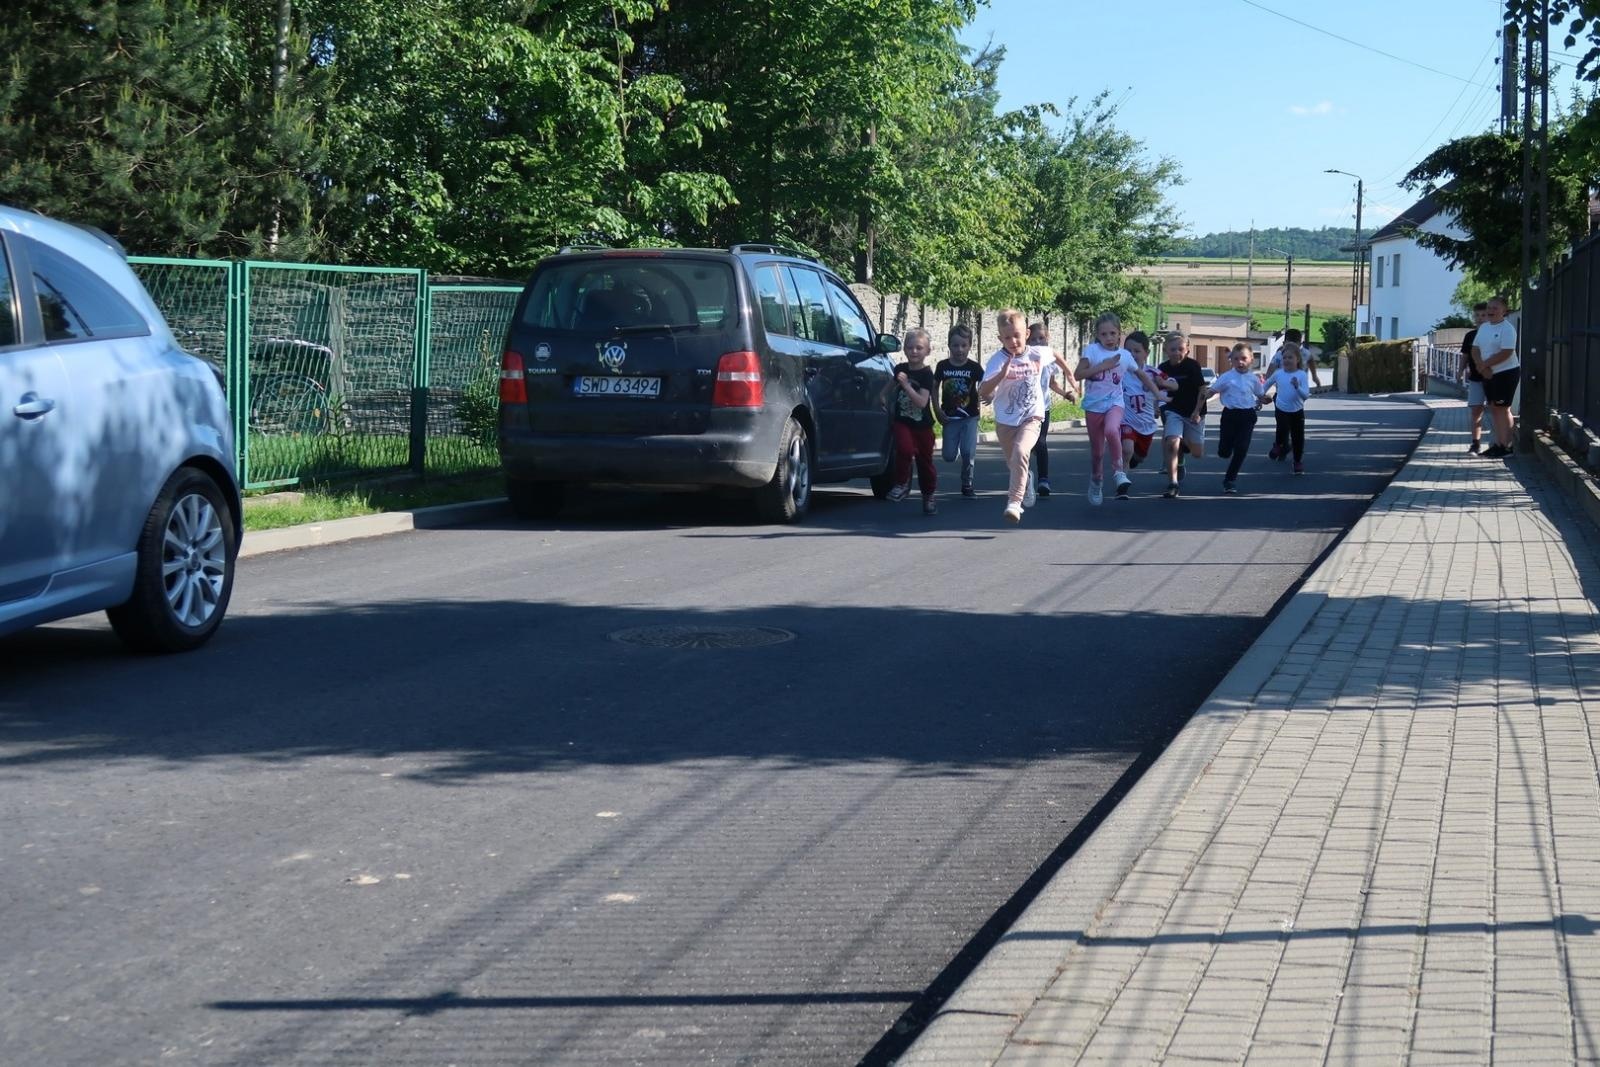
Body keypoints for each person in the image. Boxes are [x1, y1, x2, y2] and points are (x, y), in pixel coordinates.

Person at [979, 309, 1058, 523]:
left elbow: (1055, 355)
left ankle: (1014, 502)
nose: (1013, 341)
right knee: (1014, 462)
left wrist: (1070, 377)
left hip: (1032, 415)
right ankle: (1027, 478)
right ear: (1000, 338)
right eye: (1007, 337)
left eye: (1017, 335)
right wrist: (1001, 377)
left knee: (1022, 451)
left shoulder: (1036, 353)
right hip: (1005, 420)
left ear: (1027, 334)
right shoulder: (997, 360)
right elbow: (983, 391)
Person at [1075, 313, 1161, 504]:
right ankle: (1096, 480)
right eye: (1104, 334)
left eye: (1113, 333)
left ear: (1120, 335)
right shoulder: (1092, 351)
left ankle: (1119, 472)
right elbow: (1078, 374)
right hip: (1094, 406)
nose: (1109, 338)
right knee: (1097, 453)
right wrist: (1103, 366)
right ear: (1097, 335)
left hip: (1115, 403)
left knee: (1112, 429)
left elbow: (1143, 375)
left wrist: (1158, 394)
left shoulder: (1124, 356)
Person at [879, 327, 938, 514]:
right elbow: (888, 388)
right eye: (910, 347)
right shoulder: (900, 369)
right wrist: (882, 398)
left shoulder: (927, 375)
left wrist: (906, 385)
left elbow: (921, 402)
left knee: (925, 463)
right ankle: (901, 484)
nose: (914, 351)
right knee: (904, 450)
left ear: (927, 351)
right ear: (904, 349)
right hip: (902, 420)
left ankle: (928, 495)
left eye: (919, 348)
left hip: (922, 425)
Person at [1024, 321, 1079, 501]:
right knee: (1025, 446)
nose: (1038, 342)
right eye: (1033, 339)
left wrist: (1065, 394)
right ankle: (1023, 478)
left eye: (1041, 338)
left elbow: (1051, 382)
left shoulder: (1050, 361)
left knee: (1041, 442)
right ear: (1027, 340)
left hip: (1044, 408)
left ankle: (1043, 480)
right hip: (1025, 409)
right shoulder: (1024, 359)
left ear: (1047, 339)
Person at [1120, 331, 1175, 491]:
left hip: (1146, 423)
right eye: (1128, 351)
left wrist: (1165, 384)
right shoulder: (1120, 372)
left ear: (1146, 353)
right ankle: (1122, 481)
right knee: (1127, 449)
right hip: (1126, 420)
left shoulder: (1153, 373)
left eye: (1136, 351)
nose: (1132, 354)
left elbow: (1173, 384)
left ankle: (1135, 459)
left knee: (1140, 456)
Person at [1206, 343, 1265, 494]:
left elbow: (1260, 395)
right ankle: (1224, 449)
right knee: (1224, 451)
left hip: (1247, 415)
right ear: (1231, 360)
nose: (1240, 362)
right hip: (1230, 416)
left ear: (1251, 359)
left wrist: (1267, 399)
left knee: (1242, 448)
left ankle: (1230, 480)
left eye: (1244, 358)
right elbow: (1213, 390)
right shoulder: (1227, 377)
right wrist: (1205, 395)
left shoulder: (1253, 379)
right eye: (1236, 359)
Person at [934, 324, 983, 497]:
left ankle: (967, 482)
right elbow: (934, 388)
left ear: (970, 346)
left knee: (968, 451)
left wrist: (989, 396)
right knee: (948, 455)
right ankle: (955, 451)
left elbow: (985, 386)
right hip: (949, 417)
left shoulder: (974, 368)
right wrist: (937, 411)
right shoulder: (942, 366)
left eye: (964, 345)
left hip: (970, 416)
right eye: (955, 345)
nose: (959, 349)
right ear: (949, 346)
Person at [1157, 331, 1206, 499]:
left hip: (1194, 412)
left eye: (1180, 349)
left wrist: (1197, 411)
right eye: (1172, 349)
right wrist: (1157, 406)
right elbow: (1157, 389)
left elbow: (1202, 389)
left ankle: (1182, 457)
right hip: (1173, 410)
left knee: (1197, 452)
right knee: (1171, 441)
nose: (1176, 352)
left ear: (1187, 350)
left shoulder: (1193, 366)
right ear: (1165, 350)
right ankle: (1173, 484)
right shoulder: (1163, 369)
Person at [1473, 295, 1519, 457]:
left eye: (1495, 308)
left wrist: (1485, 365)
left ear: (1504, 311)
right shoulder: (1485, 327)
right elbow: (1475, 349)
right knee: (1493, 408)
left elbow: (1507, 352)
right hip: (1488, 373)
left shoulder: (1507, 329)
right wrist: (1481, 366)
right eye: (1489, 308)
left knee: (1503, 408)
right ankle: (1498, 443)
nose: (1491, 311)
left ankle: (1507, 446)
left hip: (1506, 373)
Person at [1262, 344, 1311, 473]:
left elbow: (1305, 395)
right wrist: (1260, 396)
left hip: (1297, 410)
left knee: (1298, 437)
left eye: (1290, 357)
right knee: (1282, 428)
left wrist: (1297, 387)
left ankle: (1298, 461)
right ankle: (1278, 445)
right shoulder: (1278, 374)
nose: (1287, 360)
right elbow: (1266, 384)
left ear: (1298, 360)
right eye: (1284, 358)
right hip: (1281, 407)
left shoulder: (1301, 375)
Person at [1457, 302, 1490, 454]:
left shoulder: (1494, 333)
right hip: (1475, 378)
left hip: (1493, 378)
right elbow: (1465, 356)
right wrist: (1460, 371)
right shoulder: (1470, 336)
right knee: (1476, 410)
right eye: (1477, 315)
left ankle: (1499, 442)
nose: (1480, 318)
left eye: (1483, 315)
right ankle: (1475, 443)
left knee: (1497, 410)